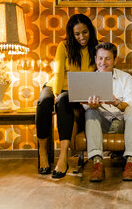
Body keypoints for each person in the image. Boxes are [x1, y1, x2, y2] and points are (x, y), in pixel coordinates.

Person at [36, 14, 98, 178]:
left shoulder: (96, 48)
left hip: (76, 91)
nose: (81, 37)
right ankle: (42, 151)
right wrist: (56, 93)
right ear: (72, 34)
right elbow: (58, 72)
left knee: (63, 101)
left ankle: (62, 157)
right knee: (43, 102)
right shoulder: (64, 46)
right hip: (56, 85)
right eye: (77, 34)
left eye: (84, 32)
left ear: (90, 31)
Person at [83, 42, 132, 182]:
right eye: (100, 58)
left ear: (115, 60)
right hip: (102, 123)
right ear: (96, 59)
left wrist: (115, 102)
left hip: (122, 122)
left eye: (107, 59)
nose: (103, 62)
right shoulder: (88, 80)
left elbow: (131, 105)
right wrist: (92, 105)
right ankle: (97, 163)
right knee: (90, 112)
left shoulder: (126, 78)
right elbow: (85, 107)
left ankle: (131, 162)